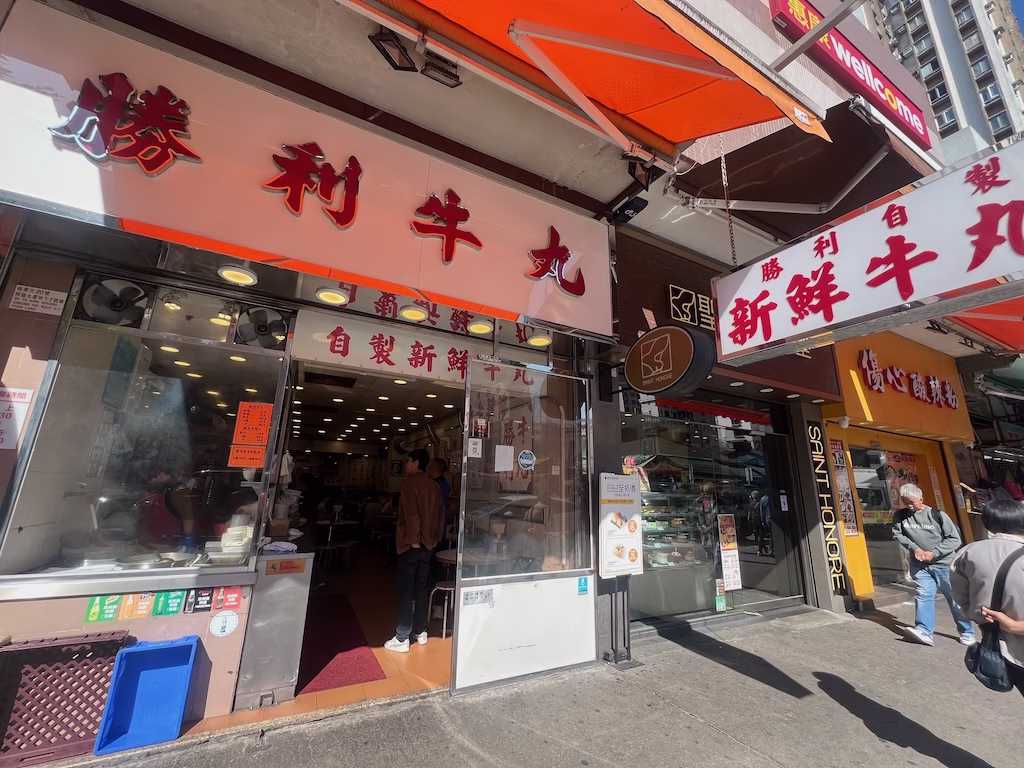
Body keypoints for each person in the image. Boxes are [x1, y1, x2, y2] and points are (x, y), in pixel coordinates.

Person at [951, 499, 1024, 695]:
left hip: (998, 648)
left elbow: (961, 598)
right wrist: (1017, 626)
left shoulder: (967, 553)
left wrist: (982, 615)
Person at [892, 483, 975, 647]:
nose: (909, 506)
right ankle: (924, 630)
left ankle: (967, 632)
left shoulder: (938, 515)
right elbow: (897, 534)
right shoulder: (900, 515)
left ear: (921, 499)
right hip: (920, 566)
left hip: (944, 564)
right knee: (923, 595)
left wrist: (934, 553)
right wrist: (914, 548)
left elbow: (954, 539)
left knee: (954, 599)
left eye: (912, 502)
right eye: (905, 502)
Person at [385, 449, 442, 653]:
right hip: (428, 545)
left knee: (406, 591)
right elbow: (440, 515)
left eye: (407, 461)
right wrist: (433, 540)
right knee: (422, 589)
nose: (406, 465)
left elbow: (412, 515)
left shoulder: (410, 485)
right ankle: (421, 631)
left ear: (416, 463)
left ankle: (402, 636)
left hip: (412, 545)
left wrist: (413, 540)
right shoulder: (434, 486)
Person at [427, 458, 451, 535]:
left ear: (435, 468)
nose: (427, 468)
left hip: (435, 525)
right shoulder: (437, 483)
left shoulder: (441, 485)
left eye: (430, 466)